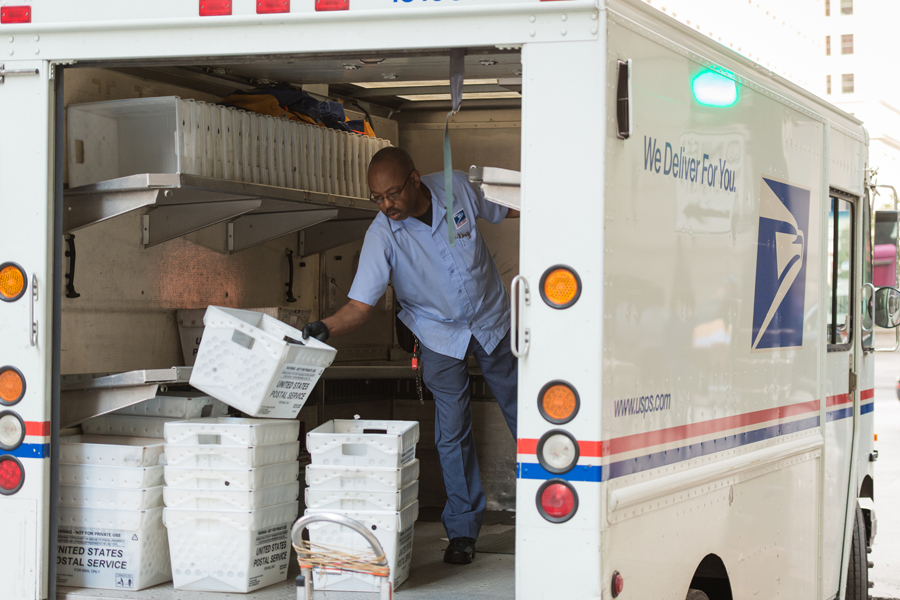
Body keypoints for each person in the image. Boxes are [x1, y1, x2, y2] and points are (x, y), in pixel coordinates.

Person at [301, 147, 519, 565]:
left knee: (526, 415)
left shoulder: (456, 189)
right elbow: (360, 307)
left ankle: (556, 510)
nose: (386, 205)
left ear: (416, 180)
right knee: (452, 431)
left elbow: (510, 206)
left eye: (393, 193)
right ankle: (462, 531)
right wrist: (326, 326)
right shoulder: (382, 235)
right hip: (437, 334)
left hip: (492, 321)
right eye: (377, 198)